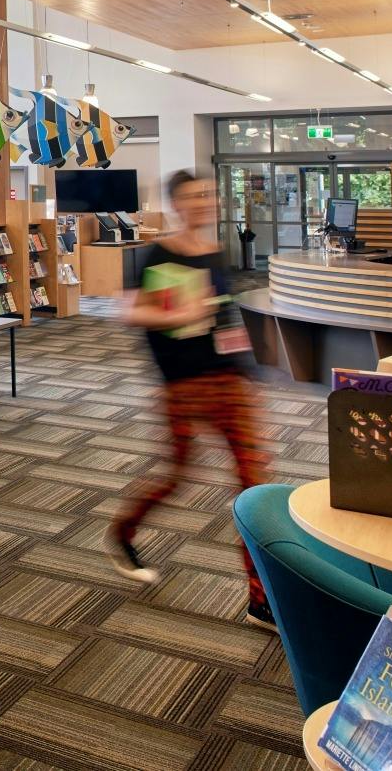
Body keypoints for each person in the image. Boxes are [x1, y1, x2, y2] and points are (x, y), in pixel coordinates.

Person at [110, 169, 273, 627]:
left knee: (253, 483)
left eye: (208, 195)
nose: (204, 202)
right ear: (177, 205)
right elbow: (130, 312)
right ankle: (123, 531)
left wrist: (247, 365)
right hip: (181, 385)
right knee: (177, 476)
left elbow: (221, 320)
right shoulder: (157, 253)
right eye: (193, 197)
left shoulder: (215, 254)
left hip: (228, 382)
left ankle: (260, 600)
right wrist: (180, 312)